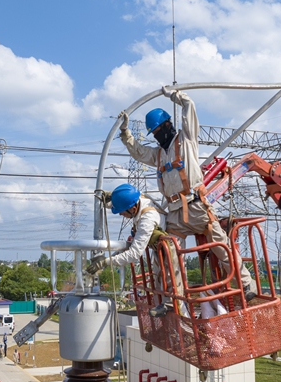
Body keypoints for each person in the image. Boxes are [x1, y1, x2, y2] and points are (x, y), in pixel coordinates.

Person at [118, 86, 256, 301]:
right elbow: (139, 153)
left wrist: (176, 96)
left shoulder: (186, 140)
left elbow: (189, 108)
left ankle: (246, 284)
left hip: (197, 206)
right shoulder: (160, 154)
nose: (156, 136)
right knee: (167, 251)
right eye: (153, 134)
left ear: (167, 125)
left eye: (157, 131)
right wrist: (126, 134)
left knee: (222, 248)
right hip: (175, 213)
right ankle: (171, 297)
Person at [86, 183, 186, 317]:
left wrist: (105, 262)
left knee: (171, 282)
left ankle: (176, 312)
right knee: (159, 284)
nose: (121, 214)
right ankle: (168, 316)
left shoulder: (147, 219)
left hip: (171, 248)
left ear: (133, 209)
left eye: (122, 211)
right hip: (159, 247)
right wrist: (112, 199)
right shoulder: (138, 200)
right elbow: (126, 202)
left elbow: (134, 254)